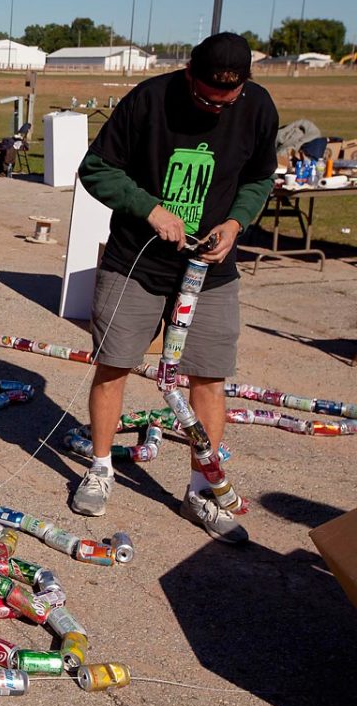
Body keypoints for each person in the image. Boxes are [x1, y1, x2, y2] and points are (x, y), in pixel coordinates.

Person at [70, 32, 277, 544]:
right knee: (114, 363)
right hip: (136, 263)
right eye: (207, 98)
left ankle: (199, 493)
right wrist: (151, 209)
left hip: (211, 271)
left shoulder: (258, 108)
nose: (215, 107)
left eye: (226, 100)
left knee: (208, 377)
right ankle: (100, 469)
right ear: (190, 76)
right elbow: (95, 169)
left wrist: (235, 225)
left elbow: (259, 177)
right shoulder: (148, 99)